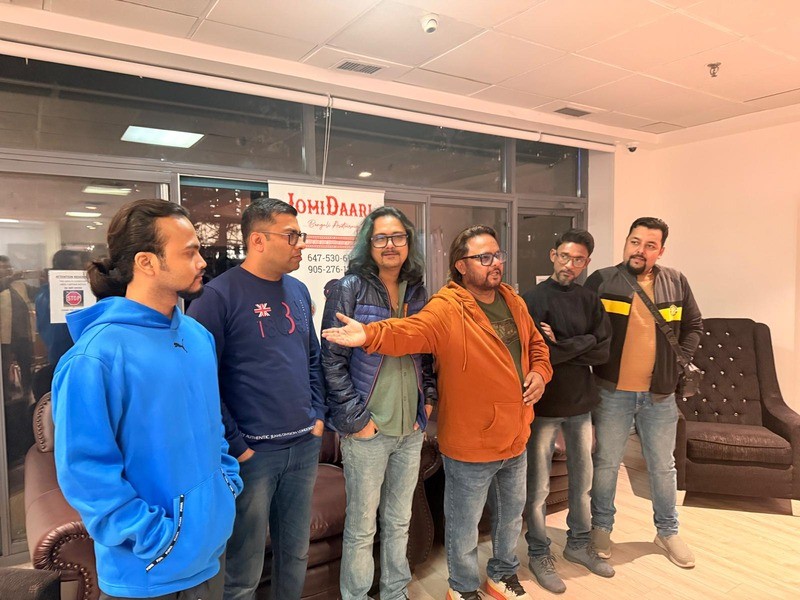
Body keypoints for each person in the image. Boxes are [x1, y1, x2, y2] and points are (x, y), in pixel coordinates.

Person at [322, 225, 553, 600]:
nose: (495, 263)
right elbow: (410, 331)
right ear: (461, 265)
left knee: (512, 515)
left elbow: (537, 347)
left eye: (497, 255)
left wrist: (540, 373)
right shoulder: (447, 307)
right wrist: (369, 335)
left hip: (516, 433)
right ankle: (462, 588)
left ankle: (502, 574)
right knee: (463, 524)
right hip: (471, 439)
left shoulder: (513, 300)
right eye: (484, 257)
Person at [51, 199, 242, 600]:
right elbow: (85, 472)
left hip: (209, 555)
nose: (202, 262)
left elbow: (213, 430)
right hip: (146, 573)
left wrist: (225, 488)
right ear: (146, 262)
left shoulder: (197, 336)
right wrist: (159, 538)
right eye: (189, 252)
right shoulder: (95, 356)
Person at [187, 198, 326, 600]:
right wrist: (237, 445)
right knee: (243, 569)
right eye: (292, 236)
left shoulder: (297, 290)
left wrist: (318, 416)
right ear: (258, 241)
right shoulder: (216, 297)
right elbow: (202, 381)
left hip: (303, 446)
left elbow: (312, 359)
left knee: (295, 555)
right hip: (252, 456)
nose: (301, 244)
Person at [321, 206, 437, 600]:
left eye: (398, 237)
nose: (390, 245)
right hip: (369, 429)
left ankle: (395, 592)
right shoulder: (349, 287)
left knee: (400, 520)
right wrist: (356, 419)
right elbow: (331, 360)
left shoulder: (418, 291)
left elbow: (427, 350)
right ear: (368, 244)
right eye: (381, 238)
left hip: (411, 427)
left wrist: (428, 401)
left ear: (408, 242)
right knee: (361, 527)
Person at [585, 216, 702, 569]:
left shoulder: (676, 281)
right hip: (612, 393)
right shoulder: (602, 280)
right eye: (635, 242)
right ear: (626, 242)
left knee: (663, 467)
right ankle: (601, 528)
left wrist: (680, 361)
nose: (640, 250)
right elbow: (583, 326)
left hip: (660, 396)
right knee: (606, 464)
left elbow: (694, 325)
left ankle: (667, 531)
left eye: (650, 245)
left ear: (660, 251)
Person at [521, 229, 613, 594]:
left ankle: (578, 544)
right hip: (544, 405)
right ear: (552, 254)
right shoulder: (531, 300)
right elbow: (537, 353)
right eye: (564, 256)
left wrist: (563, 344)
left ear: (586, 262)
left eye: (577, 260)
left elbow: (603, 351)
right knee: (538, 488)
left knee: (583, 483)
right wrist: (582, 342)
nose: (569, 265)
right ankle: (538, 551)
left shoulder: (590, 299)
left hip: (581, 405)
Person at [35, 249, 86, 365]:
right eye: (79, 265)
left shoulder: (44, 293)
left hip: (61, 355)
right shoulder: (51, 296)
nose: (82, 269)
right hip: (66, 355)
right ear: (70, 268)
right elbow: (58, 332)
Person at [0, 255, 35, 401]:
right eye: (4, 267)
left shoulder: (20, 285)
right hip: (5, 336)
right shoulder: (3, 285)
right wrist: (11, 278)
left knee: (26, 365)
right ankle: (5, 398)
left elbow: (36, 293)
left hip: (24, 335)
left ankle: (27, 395)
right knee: (4, 367)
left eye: (9, 267)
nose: (8, 270)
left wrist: (46, 279)